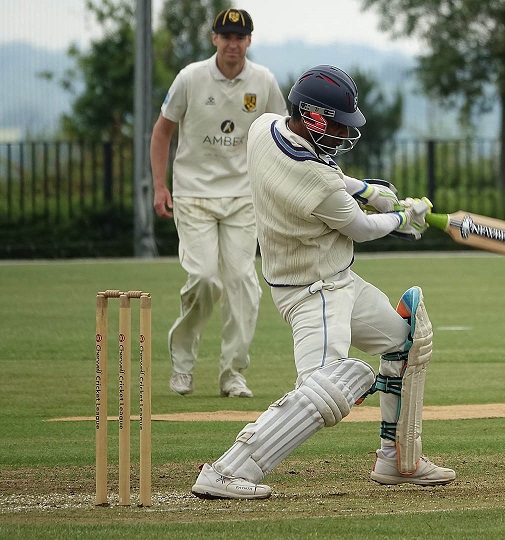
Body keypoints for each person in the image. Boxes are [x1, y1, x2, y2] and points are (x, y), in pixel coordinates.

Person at [190, 65, 456, 499]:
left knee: (404, 342)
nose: (342, 133)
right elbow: (361, 228)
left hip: (339, 280)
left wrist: (367, 188)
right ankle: (226, 469)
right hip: (313, 293)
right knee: (329, 386)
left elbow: (335, 181)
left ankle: (397, 460)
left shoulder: (264, 127)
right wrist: (404, 218)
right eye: (335, 123)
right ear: (312, 117)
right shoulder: (314, 181)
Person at [150, 8, 287, 398]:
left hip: (244, 197)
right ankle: (183, 365)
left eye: (240, 37)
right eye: (226, 36)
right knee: (206, 279)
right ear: (214, 39)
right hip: (193, 194)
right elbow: (162, 133)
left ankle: (233, 373)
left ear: (249, 41)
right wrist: (160, 186)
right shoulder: (190, 78)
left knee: (243, 283)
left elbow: (281, 139)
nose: (233, 44)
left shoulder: (263, 81)